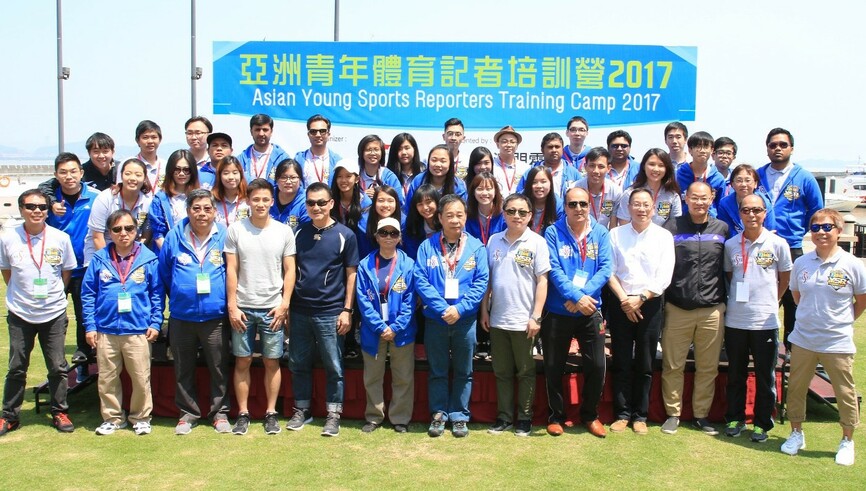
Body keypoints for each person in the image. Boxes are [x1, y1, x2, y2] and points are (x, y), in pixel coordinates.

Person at [781, 209, 866, 466]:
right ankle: (796, 433)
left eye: (827, 227)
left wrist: (839, 322)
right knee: (795, 389)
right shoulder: (802, 263)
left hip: (836, 341)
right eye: (816, 228)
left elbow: (861, 302)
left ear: (839, 231)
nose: (821, 232)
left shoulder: (852, 264)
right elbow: (797, 296)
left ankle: (847, 440)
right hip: (804, 338)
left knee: (844, 391)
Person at [0, 190, 76, 437]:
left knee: (57, 366)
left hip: (53, 312)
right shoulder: (8, 238)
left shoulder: (60, 238)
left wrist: (52, 296)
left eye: (42, 207)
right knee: (17, 366)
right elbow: (7, 272)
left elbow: (66, 274)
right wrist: (24, 297)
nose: (37, 211)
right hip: (20, 312)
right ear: (21, 209)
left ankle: (59, 411)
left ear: (47, 210)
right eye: (31, 206)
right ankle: (9, 416)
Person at [82, 209, 164, 436]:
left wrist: (155, 323)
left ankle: (141, 417)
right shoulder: (99, 259)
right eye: (117, 229)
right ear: (109, 233)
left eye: (128, 228)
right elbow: (88, 294)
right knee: (107, 378)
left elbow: (157, 294)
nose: (123, 233)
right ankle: (112, 418)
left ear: (136, 231)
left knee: (140, 377)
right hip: (106, 330)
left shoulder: (149, 259)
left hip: (138, 329)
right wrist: (90, 326)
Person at [286, 182, 359, 437]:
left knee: (334, 365)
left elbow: (351, 275)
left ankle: (333, 414)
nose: (315, 207)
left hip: (330, 311)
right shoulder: (297, 233)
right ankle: (302, 410)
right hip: (299, 310)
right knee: (298, 363)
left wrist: (347, 310)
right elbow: (291, 271)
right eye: (310, 203)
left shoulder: (345, 235)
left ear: (331, 203)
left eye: (321, 202)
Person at [225, 178, 296, 435]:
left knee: (272, 361)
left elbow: (290, 271)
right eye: (256, 199)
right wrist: (232, 306)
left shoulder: (283, 231)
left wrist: (284, 304)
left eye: (266, 199)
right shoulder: (235, 230)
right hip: (243, 307)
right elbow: (231, 270)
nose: (261, 204)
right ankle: (243, 413)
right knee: (242, 361)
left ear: (272, 201)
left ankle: (270, 413)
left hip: (272, 308)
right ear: (247, 201)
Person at [414, 194, 489, 438]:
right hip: (436, 320)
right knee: (437, 369)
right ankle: (438, 414)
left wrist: (460, 309)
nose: (455, 220)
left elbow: (481, 283)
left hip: (465, 320)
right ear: (439, 218)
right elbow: (421, 280)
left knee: (463, 370)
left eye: (459, 215)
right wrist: (441, 308)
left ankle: (459, 415)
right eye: (449, 215)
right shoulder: (428, 246)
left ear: (466, 216)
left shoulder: (477, 247)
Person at [158, 189, 232, 435]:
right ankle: (187, 413)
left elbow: (234, 272)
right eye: (196, 208)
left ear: (215, 211)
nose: (202, 213)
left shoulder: (225, 236)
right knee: (183, 367)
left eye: (207, 208)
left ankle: (219, 413)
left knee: (219, 367)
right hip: (182, 315)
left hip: (215, 315)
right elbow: (165, 274)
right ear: (188, 210)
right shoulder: (173, 237)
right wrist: (181, 294)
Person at [541, 187, 612, 438]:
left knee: (596, 366)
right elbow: (554, 269)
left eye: (583, 203)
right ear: (565, 206)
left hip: (590, 309)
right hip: (558, 310)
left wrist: (583, 298)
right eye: (573, 204)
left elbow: (605, 268)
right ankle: (556, 416)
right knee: (553, 366)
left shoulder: (601, 232)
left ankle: (590, 415)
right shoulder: (552, 232)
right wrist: (574, 296)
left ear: (589, 205)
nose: (579, 208)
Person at [659, 182, 728, 436]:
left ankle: (701, 415)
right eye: (694, 198)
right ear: (685, 198)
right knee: (673, 365)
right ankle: (673, 414)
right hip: (678, 308)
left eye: (704, 198)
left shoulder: (722, 229)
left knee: (707, 366)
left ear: (712, 199)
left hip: (712, 309)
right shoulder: (671, 227)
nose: (699, 202)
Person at [723, 194, 791, 442]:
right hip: (736, 321)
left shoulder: (778, 244)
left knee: (765, 376)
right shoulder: (731, 244)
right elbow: (730, 276)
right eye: (746, 210)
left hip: (765, 320)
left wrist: (773, 299)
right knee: (736, 374)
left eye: (757, 210)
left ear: (765, 213)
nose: (751, 215)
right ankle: (734, 418)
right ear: (740, 213)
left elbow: (784, 279)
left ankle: (762, 423)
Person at [482, 192, 550, 437]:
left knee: (525, 372)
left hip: (524, 321)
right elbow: (487, 281)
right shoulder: (493, 241)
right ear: (504, 213)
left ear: (530, 216)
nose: (517, 216)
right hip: (498, 318)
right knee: (501, 372)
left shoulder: (537, 242)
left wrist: (536, 316)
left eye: (522, 212)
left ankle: (524, 418)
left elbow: (542, 282)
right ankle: (504, 418)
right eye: (511, 211)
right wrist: (484, 311)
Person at [607, 188, 675, 434]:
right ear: (629, 207)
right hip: (621, 302)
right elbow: (609, 270)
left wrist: (641, 298)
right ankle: (622, 414)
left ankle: (640, 416)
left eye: (646, 204)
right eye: (636, 204)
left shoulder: (663, 236)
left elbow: (664, 275)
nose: (641, 209)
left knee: (645, 362)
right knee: (622, 360)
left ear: (653, 207)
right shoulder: (615, 234)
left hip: (650, 302)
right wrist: (626, 300)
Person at [756, 128, 823, 349]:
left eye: (783, 145)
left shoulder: (804, 177)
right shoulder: (758, 175)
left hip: (792, 246)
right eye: (773, 145)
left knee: (792, 299)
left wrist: (798, 231)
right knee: (761, 294)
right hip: (761, 245)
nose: (777, 148)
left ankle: (792, 350)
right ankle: (759, 348)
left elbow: (816, 211)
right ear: (767, 149)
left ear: (791, 149)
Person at [356, 217, 416, 434]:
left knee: (403, 376)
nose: (388, 237)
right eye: (384, 233)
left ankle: (400, 418)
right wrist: (380, 327)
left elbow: (411, 301)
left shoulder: (408, 264)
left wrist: (396, 327)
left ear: (399, 237)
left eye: (393, 233)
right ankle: (374, 416)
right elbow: (362, 300)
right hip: (373, 331)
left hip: (402, 331)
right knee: (372, 376)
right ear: (376, 236)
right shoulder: (365, 265)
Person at [45, 153, 99, 367]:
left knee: (83, 310)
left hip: (83, 266)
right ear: (56, 175)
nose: (69, 176)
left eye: (73, 171)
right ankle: (55, 356)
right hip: (55, 268)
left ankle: (83, 350)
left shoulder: (96, 197)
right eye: (63, 172)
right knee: (54, 314)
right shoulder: (49, 200)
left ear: (81, 173)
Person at [85, 158, 154, 265]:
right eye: (128, 174)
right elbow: (97, 237)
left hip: (131, 258)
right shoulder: (105, 198)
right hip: (101, 255)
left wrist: (134, 257)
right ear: (121, 176)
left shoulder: (148, 202)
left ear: (145, 178)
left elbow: (146, 235)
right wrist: (110, 265)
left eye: (138, 175)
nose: (132, 178)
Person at [148, 149, 200, 250]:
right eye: (177, 169)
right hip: (169, 252)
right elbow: (158, 235)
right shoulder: (160, 199)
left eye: (186, 170)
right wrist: (171, 255)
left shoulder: (200, 197)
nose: (181, 174)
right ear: (170, 171)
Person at [617, 149, 682, 227]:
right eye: (651, 164)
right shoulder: (630, 194)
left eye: (661, 165)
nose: (655, 169)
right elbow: (624, 226)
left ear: (667, 169)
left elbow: (675, 225)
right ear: (644, 166)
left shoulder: (672, 196)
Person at [717, 164, 776, 239]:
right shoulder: (725, 204)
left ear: (755, 183)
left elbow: (770, 228)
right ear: (732, 184)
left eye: (748, 180)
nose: (743, 184)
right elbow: (727, 229)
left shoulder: (764, 201)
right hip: (736, 243)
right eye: (739, 181)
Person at [675, 131, 726, 216]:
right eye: (698, 146)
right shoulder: (679, 175)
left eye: (706, 146)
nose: (702, 151)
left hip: (710, 225)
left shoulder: (718, 178)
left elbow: (720, 206)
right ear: (690, 150)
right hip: (684, 223)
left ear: (712, 150)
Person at [404, 144, 468, 211]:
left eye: (443, 161)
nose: (437, 164)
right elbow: (408, 210)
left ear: (450, 163)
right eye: (434, 160)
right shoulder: (418, 181)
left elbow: (462, 213)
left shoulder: (458, 186)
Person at [517, 133, 580, 199]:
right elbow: (519, 197)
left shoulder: (573, 173)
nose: (554, 150)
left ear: (562, 149)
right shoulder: (530, 172)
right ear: (542, 150)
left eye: (557, 147)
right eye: (550, 147)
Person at [575, 147, 622, 229]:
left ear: (608, 168)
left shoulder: (615, 191)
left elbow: (613, 224)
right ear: (585, 167)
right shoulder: (575, 189)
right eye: (592, 166)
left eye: (601, 167)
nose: (596, 171)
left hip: (604, 235)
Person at [238, 113, 290, 183]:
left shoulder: (282, 158)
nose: (261, 134)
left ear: (271, 132)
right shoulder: (241, 159)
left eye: (265, 130)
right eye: (257, 130)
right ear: (251, 132)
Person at [354, 134, 403, 203]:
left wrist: (380, 196)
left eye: (376, 150)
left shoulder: (389, 177)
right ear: (361, 153)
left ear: (382, 152)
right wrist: (362, 196)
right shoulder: (355, 174)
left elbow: (399, 202)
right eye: (368, 150)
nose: (373, 153)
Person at [296, 114, 341, 187]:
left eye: (322, 131)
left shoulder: (337, 161)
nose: (318, 135)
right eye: (313, 131)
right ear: (308, 134)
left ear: (328, 134)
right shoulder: (298, 159)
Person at [269, 158, 309, 232]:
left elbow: (306, 232)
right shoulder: (268, 196)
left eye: (293, 177)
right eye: (283, 177)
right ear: (276, 179)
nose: (288, 181)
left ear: (300, 179)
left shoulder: (306, 201)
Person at [402, 184, 441, 260]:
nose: (425, 208)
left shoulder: (446, 223)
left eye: (428, 202)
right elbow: (412, 255)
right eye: (420, 204)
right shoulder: (411, 226)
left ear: (437, 202)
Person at [465, 172, 505, 246]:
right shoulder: (467, 216)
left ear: (495, 191)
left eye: (489, 189)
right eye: (480, 189)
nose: (484, 193)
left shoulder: (504, 216)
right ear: (473, 192)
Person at [522, 166, 562, 235]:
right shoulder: (520, 200)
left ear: (550, 184)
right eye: (534, 182)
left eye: (543, 182)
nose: (539, 186)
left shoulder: (558, 204)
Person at [127, 120, 165, 192]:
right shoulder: (128, 164)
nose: (150, 141)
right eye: (145, 137)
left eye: (154, 137)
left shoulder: (166, 165)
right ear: (137, 140)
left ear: (160, 140)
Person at [212, 156, 250, 227]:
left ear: (241, 175)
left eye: (235, 173)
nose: (231, 177)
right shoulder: (212, 201)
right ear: (219, 176)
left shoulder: (248, 200)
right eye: (226, 173)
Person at [492, 126, 528, 197]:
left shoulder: (525, 168)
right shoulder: (491, 166)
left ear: (517, 145)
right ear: (497, 144)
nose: (508, 145)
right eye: (504, 142)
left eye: (512, 142)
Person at [386, 132, 424, 197]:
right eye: (399, 149)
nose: (404, 152)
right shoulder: (387, 175)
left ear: (414, 149)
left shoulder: (423, 171)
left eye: (407, 148)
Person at [185, 116, 214, 189]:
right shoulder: (182, 160)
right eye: (189, 133)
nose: (193, 137)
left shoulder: (214, 160)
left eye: (198, 133)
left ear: (209, 135)